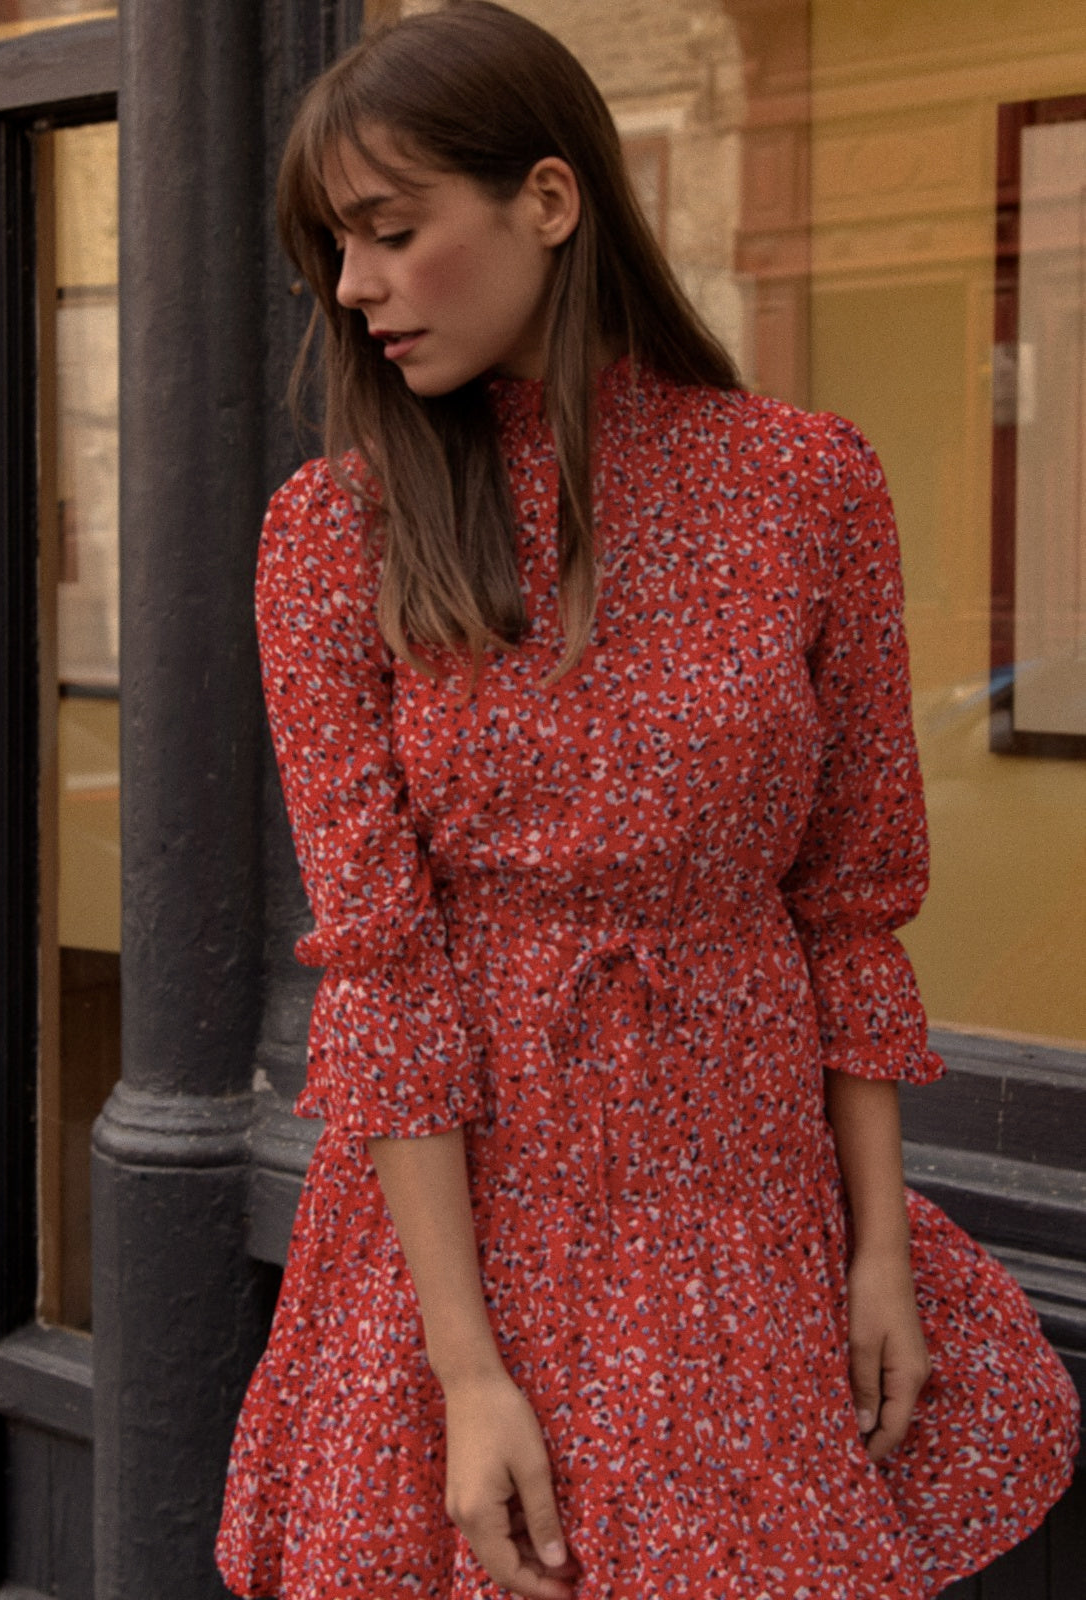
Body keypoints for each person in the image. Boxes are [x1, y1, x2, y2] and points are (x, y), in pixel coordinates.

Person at [215, 4, 1079, 1596]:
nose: (355, 290)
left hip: (739, 1198)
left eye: (394, 233)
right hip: (470, 1213)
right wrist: (464, 1378)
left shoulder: (809, 486)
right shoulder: (334, 531)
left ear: (551, 200)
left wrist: (876, 1250)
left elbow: (850, 900)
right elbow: (385, 968)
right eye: (335, 250)